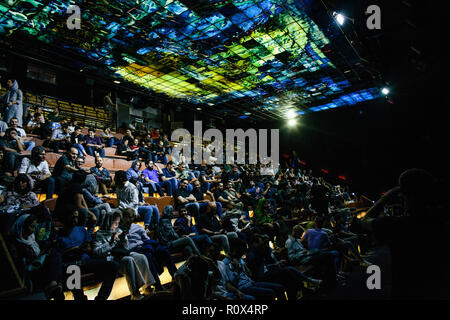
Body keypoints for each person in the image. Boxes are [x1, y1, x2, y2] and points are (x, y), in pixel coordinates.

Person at [361, 168, 450, 299]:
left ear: (405, 194)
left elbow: (364, 221)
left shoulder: (397, 225)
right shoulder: (442, 222)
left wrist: (385, 197)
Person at [55, 205, 120, 300]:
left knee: (114, 266)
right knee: (72, 270)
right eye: (72, 217)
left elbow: (90, 248)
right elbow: (57, 255)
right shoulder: (58, 234)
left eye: (76, 217)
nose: (75, 219)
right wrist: (73, 250)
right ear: (65, 218)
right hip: (69, 263)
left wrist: (85, 248)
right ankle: (80, 298)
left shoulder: (81, 229)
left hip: (85, 260)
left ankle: (101, 298)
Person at [92, 211, 156, 300]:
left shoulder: (118, 231)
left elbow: (126, 248)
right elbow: (97, 252)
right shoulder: (99, 234)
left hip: (121, 255)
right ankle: (135, 292)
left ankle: (147, 286)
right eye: (114, 223)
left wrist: (123, 240)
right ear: (108, 221)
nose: (116, 226)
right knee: (129, 260)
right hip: (111, 260)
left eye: (118, 223)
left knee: (141, 256)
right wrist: (111, 242)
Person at [119, 207, 177, 291]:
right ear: (123, 217)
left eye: (131, 217)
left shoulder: (138, 227)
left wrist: (147, 244)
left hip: (144, 247)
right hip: (133, 251)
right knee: (148, 256)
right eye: (126, 217)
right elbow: (123, 246)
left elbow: (146, 239)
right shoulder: (119, 230)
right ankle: (157, 285)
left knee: (163, 250)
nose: (128, 219)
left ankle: (175, 276)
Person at [9, 214, 65, 300]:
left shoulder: (30, 238)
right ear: (23, 226)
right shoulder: (15, 243)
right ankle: (54, 283)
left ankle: (55, 283)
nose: (33, 230)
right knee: (54, 256)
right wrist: (41, 254)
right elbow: (21, 262)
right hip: (30, 270)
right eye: (31, 227)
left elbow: (38, 248)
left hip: (39, 264)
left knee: (55, 254)